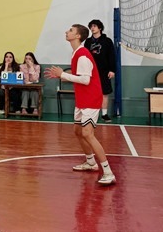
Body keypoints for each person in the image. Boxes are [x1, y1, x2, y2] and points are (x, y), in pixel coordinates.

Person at [44, 24, 115, 186]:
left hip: (91, 99)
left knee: (88, 134)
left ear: (77, 36)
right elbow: (79, 75)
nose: (66, 32)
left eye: (70, 30)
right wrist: (62, 76)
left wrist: (63, 74)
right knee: (78, 131)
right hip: (82, 99)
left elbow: (85, 80)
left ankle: (108, 172)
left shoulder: (82, 55)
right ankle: (90, 162)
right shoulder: (76, 53)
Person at [83, 20, 117, 123]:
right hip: (90, 71)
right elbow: (85, 56)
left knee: (104, 93)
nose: (92, 28)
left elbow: (112, 56)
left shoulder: (107, 41)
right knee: (90, 92)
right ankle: (91, 113)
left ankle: (104, 114)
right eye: (91, 26)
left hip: (104, 71)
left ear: (100, 28)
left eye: (94, 26)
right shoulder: (88, 41)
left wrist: (112, 70)